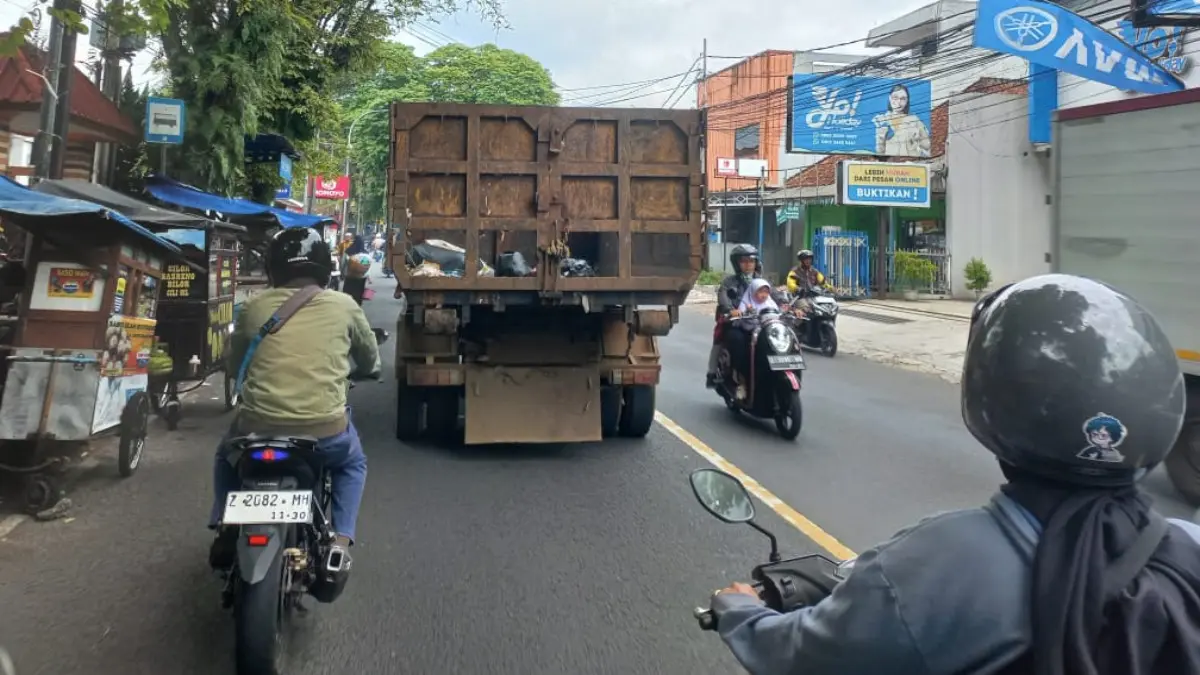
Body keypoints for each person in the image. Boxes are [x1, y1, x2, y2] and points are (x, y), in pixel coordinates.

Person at [708, 273, 1200, 675]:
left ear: (992, 397)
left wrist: (741, 612)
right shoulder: (1186, 547)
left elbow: (803, 656)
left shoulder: (939, 566)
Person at [208, 227, 380, 586]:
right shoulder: (344, 305)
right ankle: (340, 542)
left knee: (226, 455)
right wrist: (366, 371)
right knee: (352, 463)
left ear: (273, 268)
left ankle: (224, 524)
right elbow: (370, 362)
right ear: (325, 268)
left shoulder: (254, 307)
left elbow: (234, 363)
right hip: (324, 433)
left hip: (255, 429)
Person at [706, 244, 777, 388]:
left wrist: (794, 307)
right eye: (744, 261)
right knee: (735, 340)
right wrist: (731, 310)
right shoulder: (729, 282)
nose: (748, 264)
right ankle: (733, 375)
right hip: (738, 322)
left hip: (761, 322)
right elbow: (723, 297)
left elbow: (776, 295)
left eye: (751, 261)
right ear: (737, 263)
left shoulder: (762, 281)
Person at [723, 278, 779, 399]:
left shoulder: (771, 304)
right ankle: (741, 382)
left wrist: (793, 310)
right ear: (752, 292)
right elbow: (737, 314)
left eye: (766, 292)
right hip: (749, 333)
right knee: (744, 352)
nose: (764, 295)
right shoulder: (745, 303)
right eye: (760, 291)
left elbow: (780, 313)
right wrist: (736, 312)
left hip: (767, 334)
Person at [872, 84, 931, 158]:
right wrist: (881, 137)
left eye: (903, 99)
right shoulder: (882, 120)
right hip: (891, 163)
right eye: (895, 98)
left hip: (911, 162)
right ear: (890, 98)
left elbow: (927, 145)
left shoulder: (914, 120)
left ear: (907, 101)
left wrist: (917, 142)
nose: (898, 102)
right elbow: (880, 153)